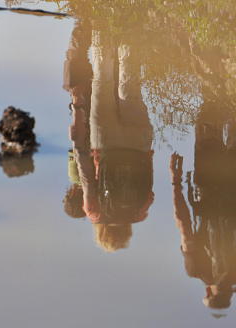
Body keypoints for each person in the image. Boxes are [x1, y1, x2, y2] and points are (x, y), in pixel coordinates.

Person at [170, 98, 236, 311]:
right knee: (210, 112)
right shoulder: (198, 270)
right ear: (208, 291)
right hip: (209, 184)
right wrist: (176, 181)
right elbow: (184, 222)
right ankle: (220, 77)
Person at [62, 11, 154, 252]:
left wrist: (146, 152)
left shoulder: (140, 212)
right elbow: (84, 168)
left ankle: (130, 19)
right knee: (103, 77)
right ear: (100, 232)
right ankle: (104, 15)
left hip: (139, 144)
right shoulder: (94, 212)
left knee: (130, 84)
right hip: (105, 144)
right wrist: (78, 114)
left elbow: (149, 181)